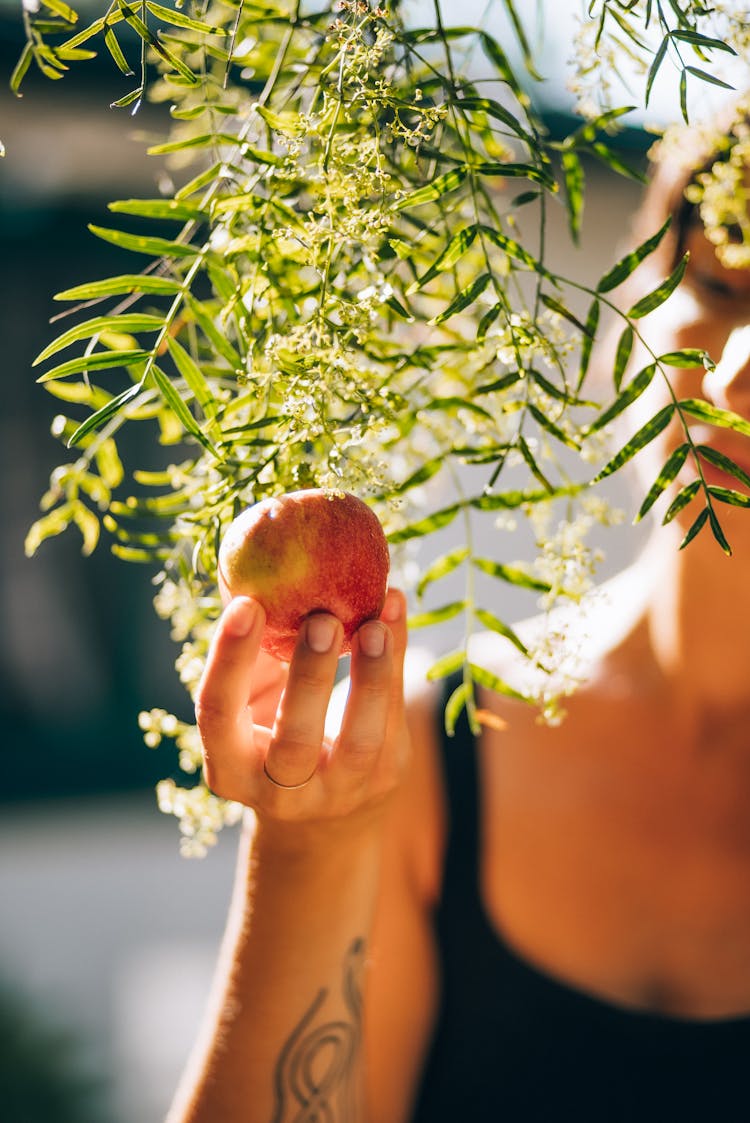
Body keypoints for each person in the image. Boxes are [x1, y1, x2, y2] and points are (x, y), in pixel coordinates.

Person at [165, 106, 750, 1123]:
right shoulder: (434, 752)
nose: (742, 369)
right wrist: (312, 846)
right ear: (634, 302)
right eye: (720, 285)